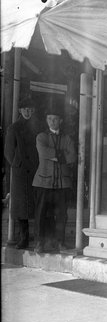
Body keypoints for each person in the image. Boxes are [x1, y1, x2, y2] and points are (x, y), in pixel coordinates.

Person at [32, 102, 76, 253]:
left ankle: (60, 243)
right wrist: (61, 155)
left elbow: (72, 157)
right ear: (46, 120)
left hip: (62, 183)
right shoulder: (41, 137)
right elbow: (43, 153)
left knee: (62, 215)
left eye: (55, 119)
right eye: (49, 119)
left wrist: (55, 155)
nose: (52, 121)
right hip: (43, 182)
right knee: (41, 214)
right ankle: (39, 243)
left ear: (60, 121)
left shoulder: (67, 138)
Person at [4, 97, 40, 249]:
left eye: (30, 109)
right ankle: (23, 238)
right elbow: (8, 151)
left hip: (35, 170)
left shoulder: (36, 127)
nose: (27, 112)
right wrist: (17, 164)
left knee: (35, 204)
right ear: (20, 110)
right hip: (20, 173)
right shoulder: (14, 128)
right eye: (24, 109)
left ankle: (37, 238)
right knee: (21, 207)